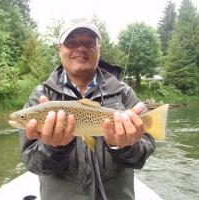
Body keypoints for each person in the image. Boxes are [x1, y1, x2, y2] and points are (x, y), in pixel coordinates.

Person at [19, 17, 156, 200]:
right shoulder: (41, 97)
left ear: (99, 49)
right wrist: (53, 149)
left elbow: (140, 158)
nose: (81, 48)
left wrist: (124, 146)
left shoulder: (123, 92)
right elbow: (33, 165)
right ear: (60, 49)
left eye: (89, 43)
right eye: (72, 42)